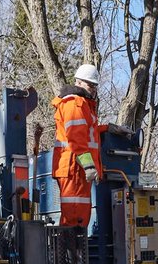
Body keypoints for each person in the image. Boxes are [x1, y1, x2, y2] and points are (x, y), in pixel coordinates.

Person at [51, 64, 129, 228]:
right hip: (74, 169)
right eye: (90, 85)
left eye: (94, 86)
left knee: (80, 216)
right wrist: (88, 165)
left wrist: (109, 128)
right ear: (79, 82)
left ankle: (76, 251)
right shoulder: (75, 104)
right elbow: (76, 138)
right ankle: (71, 252)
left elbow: (87, 132)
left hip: (76, 169)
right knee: (74, 216)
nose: (93, 89)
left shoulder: (83, 105)